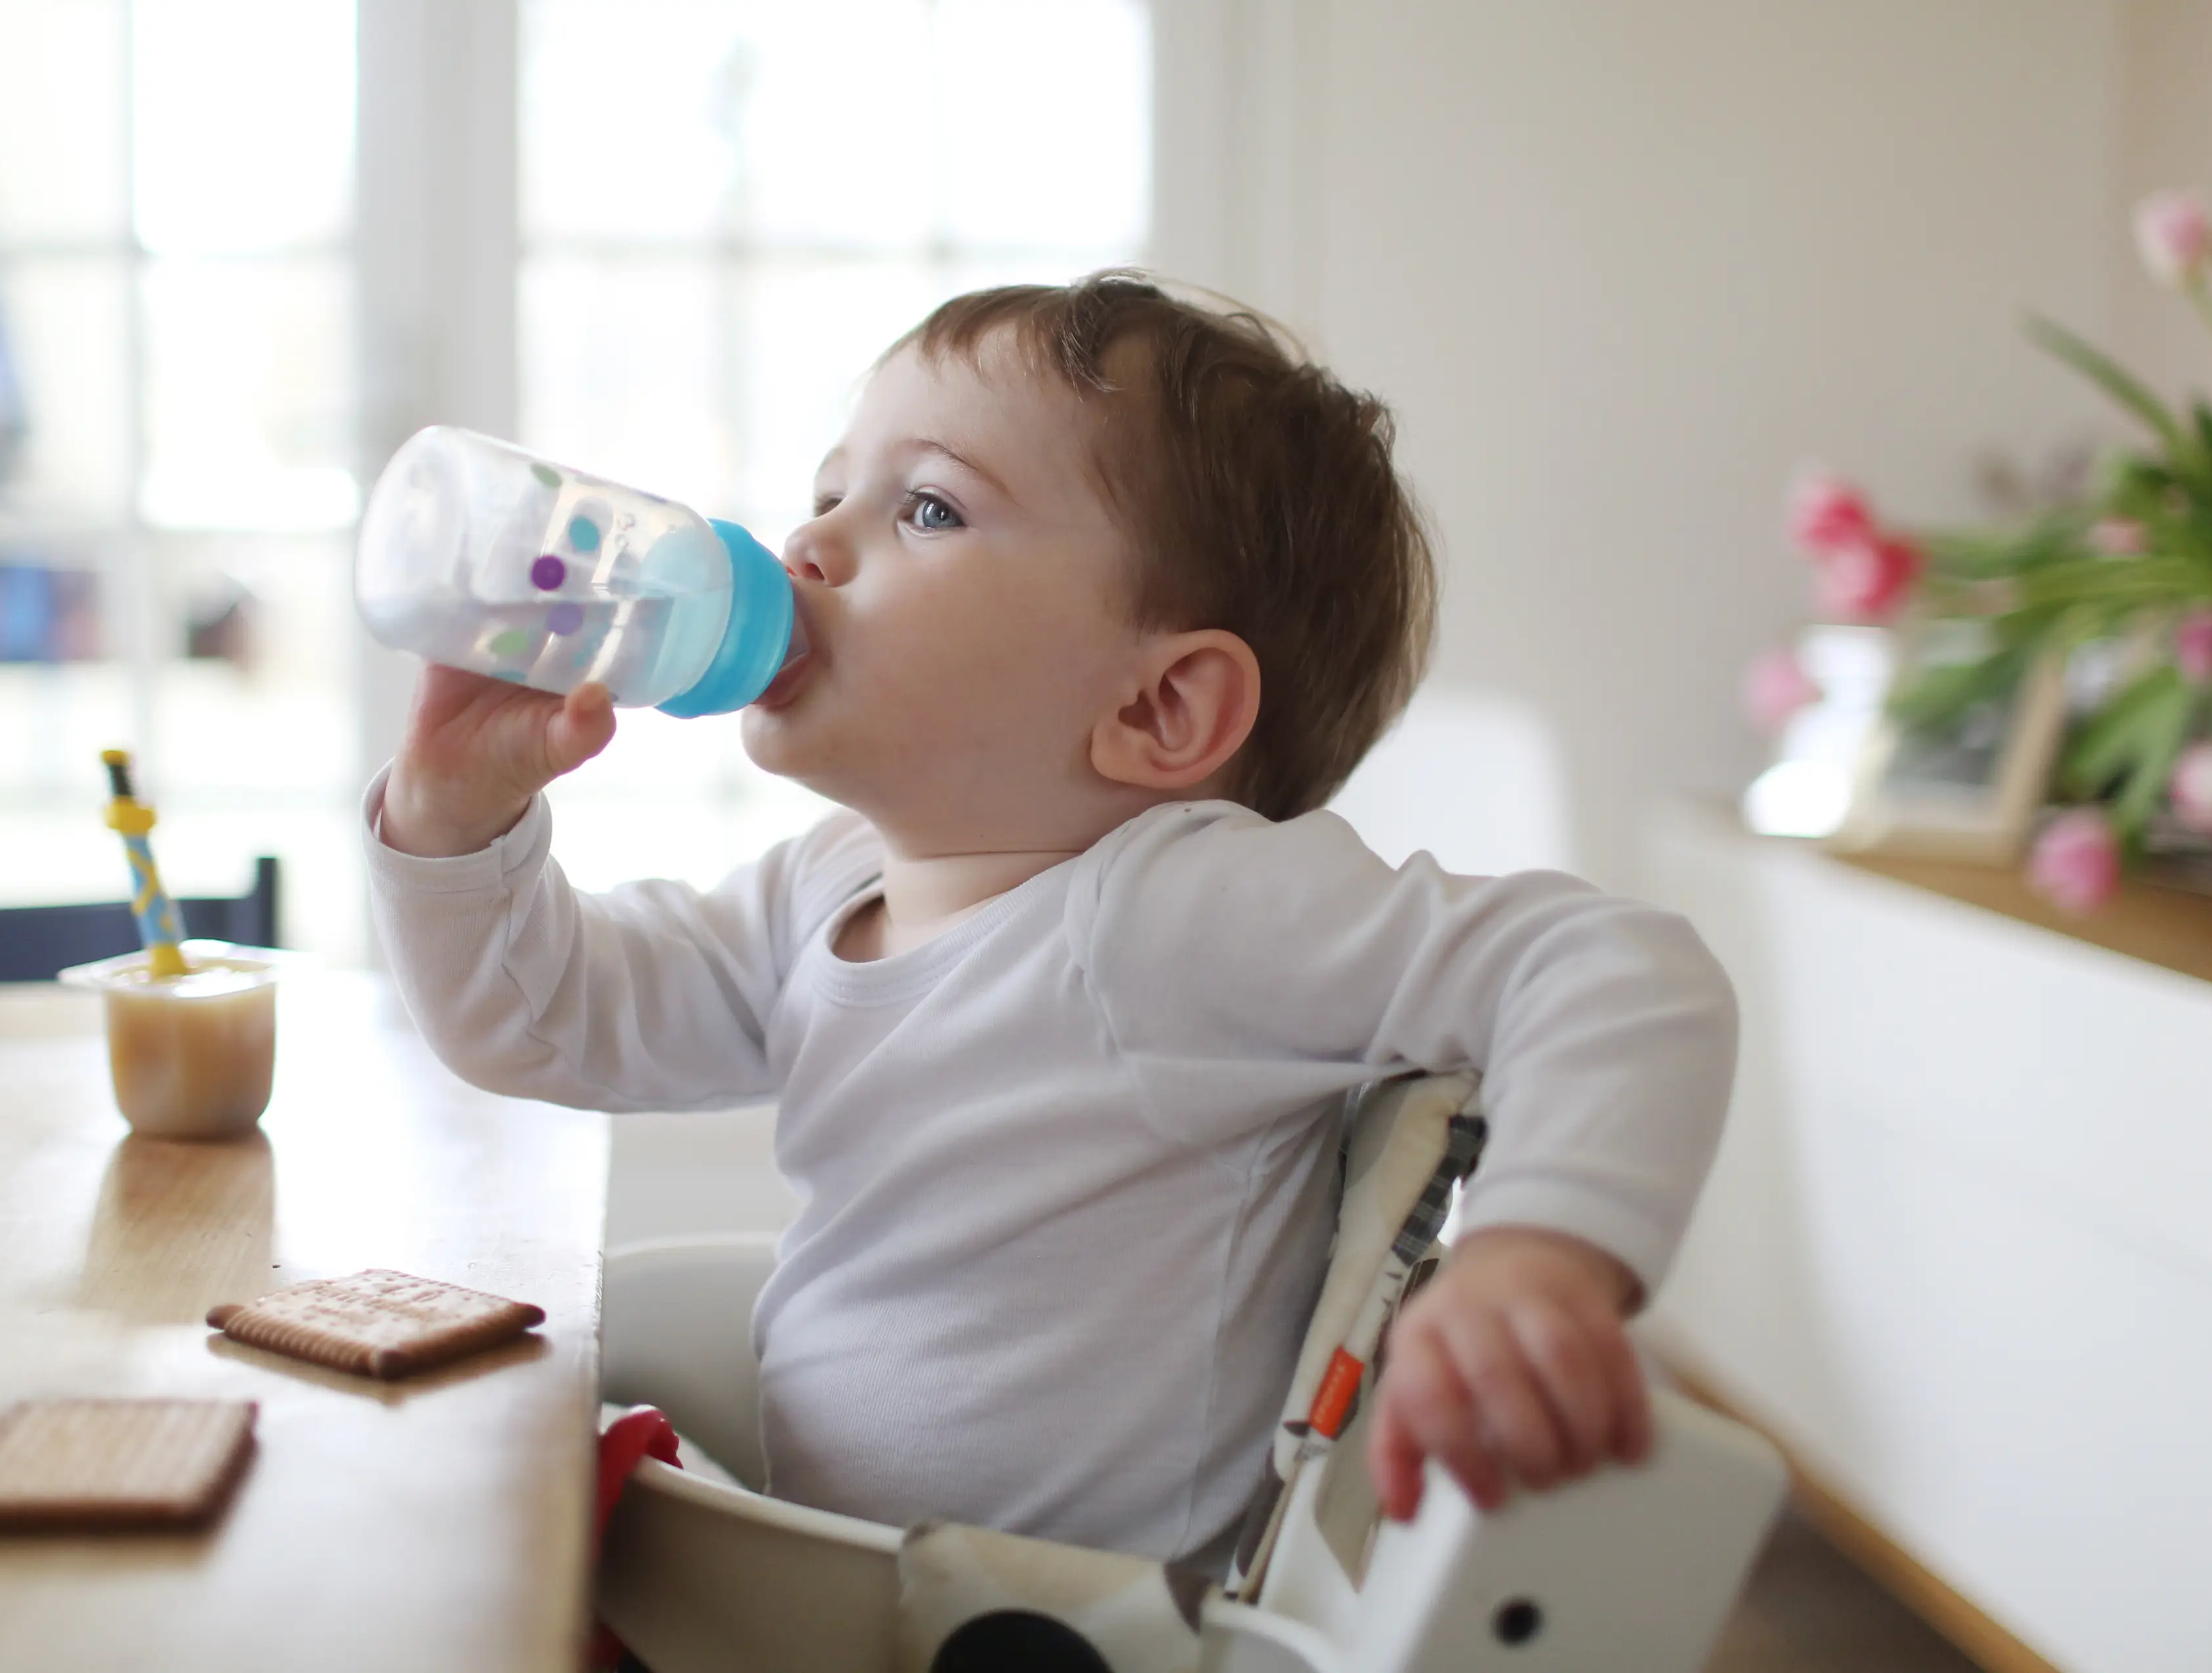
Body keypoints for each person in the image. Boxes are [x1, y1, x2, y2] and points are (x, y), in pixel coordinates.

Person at [361, 272, 1737, 1568]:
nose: (807, 544)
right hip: (851, 1577)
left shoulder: (1174, 909)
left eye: (929, 510)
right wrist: (455, 821)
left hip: (1030, 1628)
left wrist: (1542, 1253)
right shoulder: (825, 887)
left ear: (1159, 710)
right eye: (832, 488)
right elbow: (546, 1021)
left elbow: (1612, 962)